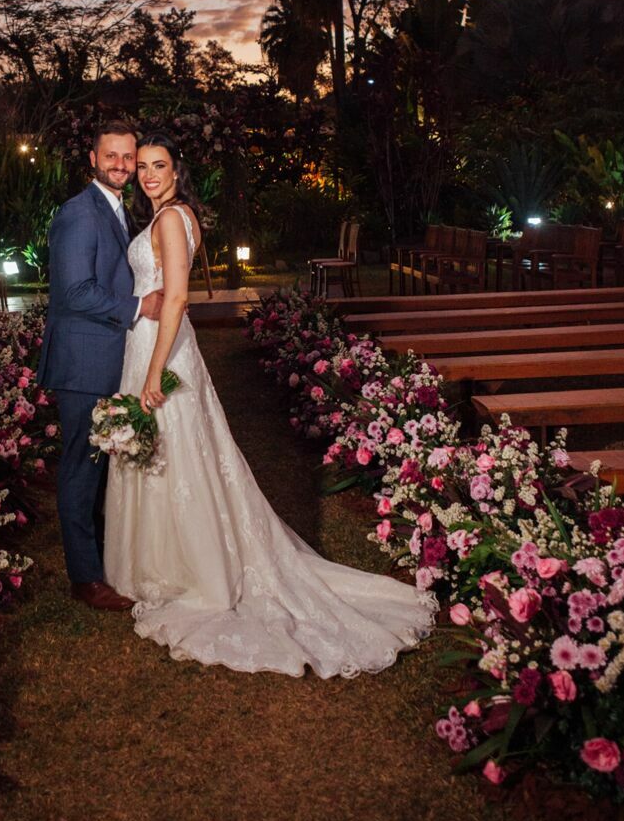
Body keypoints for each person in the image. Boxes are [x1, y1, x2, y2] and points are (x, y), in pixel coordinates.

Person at [104, 129, 435, 676]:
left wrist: (155, 370)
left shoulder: (168, 218)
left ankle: (188, 570)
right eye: (141, 166)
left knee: (171, 451)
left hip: (162, 348)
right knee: (181, 452)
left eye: (157, 164)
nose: (147, 174)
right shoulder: (181, 216)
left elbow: (180, 298)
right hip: (163, 345)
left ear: (176, 169)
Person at [37, 120, 163, 611]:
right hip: (82, 364)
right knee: (79, 471)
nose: (120, 166)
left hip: (104, 359)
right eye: (111, 156)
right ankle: (85, 579)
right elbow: (74, 291)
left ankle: (101, 561)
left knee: (98, 468)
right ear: (93, 159)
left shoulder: (112, 209)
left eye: (127, 158)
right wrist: (138, 307)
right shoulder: (79, 214)